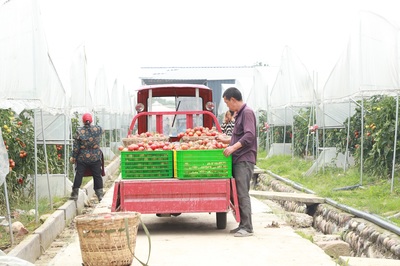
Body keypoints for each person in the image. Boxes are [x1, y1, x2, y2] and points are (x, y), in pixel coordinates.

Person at [216, 87, 257, 237]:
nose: (227, 106)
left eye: (227, 103)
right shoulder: (239, 114)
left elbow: (249, 136)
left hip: (244, 159)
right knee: (238, 193)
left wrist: (232, 147)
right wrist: (226, 140)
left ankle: (247, 227)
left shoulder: (247, 113)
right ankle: (242, 224)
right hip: (239, 158)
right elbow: (238, 137)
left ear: (233, 100)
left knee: (242, 193)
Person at [69, 113, 104, 202]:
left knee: (79, 174)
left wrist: (73, 157)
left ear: (83, 121)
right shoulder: (98, 129)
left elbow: (76, 147)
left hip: (82, 157)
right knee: (97, 175)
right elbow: (103, 131)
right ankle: (100, 194)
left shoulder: (79, 132)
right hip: (95, 156)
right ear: (91, 120)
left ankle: (75, 194)